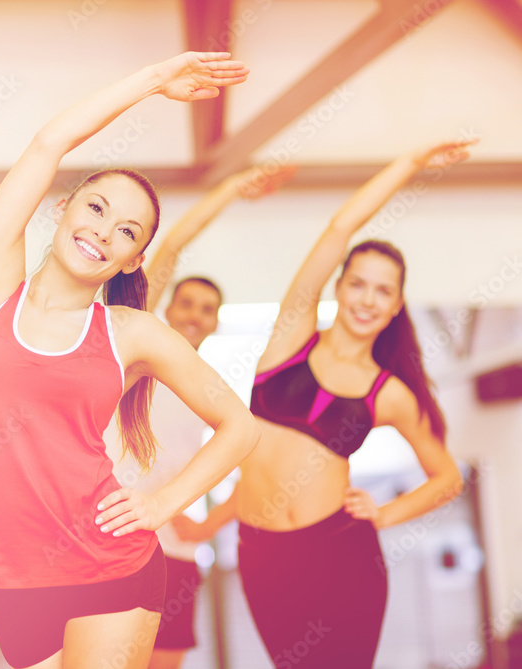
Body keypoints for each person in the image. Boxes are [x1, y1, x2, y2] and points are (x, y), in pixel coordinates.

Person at [0, 52, 261, 669]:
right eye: (96, 208)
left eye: (127, 232)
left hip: (110, 561)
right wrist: (153, 82)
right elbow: (47, 144)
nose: (103, 232)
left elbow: (240, 426)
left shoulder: (130, 333)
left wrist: (162, 505)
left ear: (134, 260)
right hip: (7, 576)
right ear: (62, 209)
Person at [177, 140, 473, 668]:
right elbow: (339, 228)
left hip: (342, 553)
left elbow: (447, 478)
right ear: (338, 285)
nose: (367, 298)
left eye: (383, 291)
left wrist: (384, 515)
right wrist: (408, 162)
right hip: (263, 555)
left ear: (396, 303)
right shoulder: (291, 336)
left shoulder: (389, 392)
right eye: (358, 283)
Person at [109, 163, 294, 669]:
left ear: (216, 320)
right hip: (112, 540)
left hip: (176, 557)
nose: (194, 313)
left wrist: (207, 524)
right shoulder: (138, 347)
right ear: (167, 306)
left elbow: (257, 463)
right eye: (186, 302)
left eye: (206, 308)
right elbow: (171, 248)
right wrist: (233, 187)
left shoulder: (214, 392)